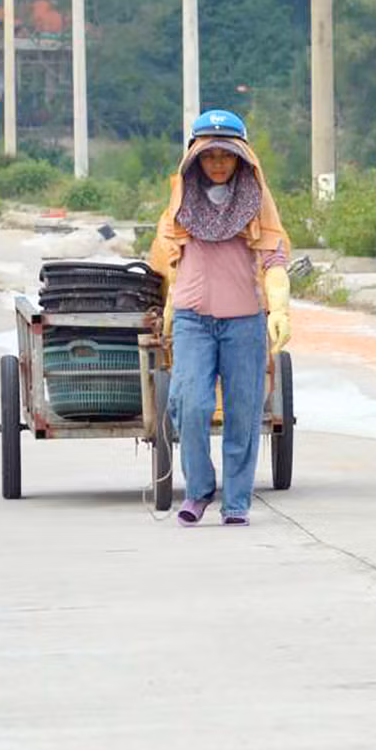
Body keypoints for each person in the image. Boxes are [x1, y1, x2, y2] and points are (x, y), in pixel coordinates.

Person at [150, 110, 292, 527]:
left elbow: (275, 258)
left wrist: (279, 307)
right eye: (208, 155)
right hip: (194, 320)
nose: (217, 163)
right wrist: (170, 309)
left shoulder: (257, 203)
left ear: (241, 159)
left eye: (225, 156)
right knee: (190, 404)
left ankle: (237, 502)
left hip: (244, 322)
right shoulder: (180, 204)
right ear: (194, 157)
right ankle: (198, 491)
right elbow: (169, 260)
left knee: (243, 412)